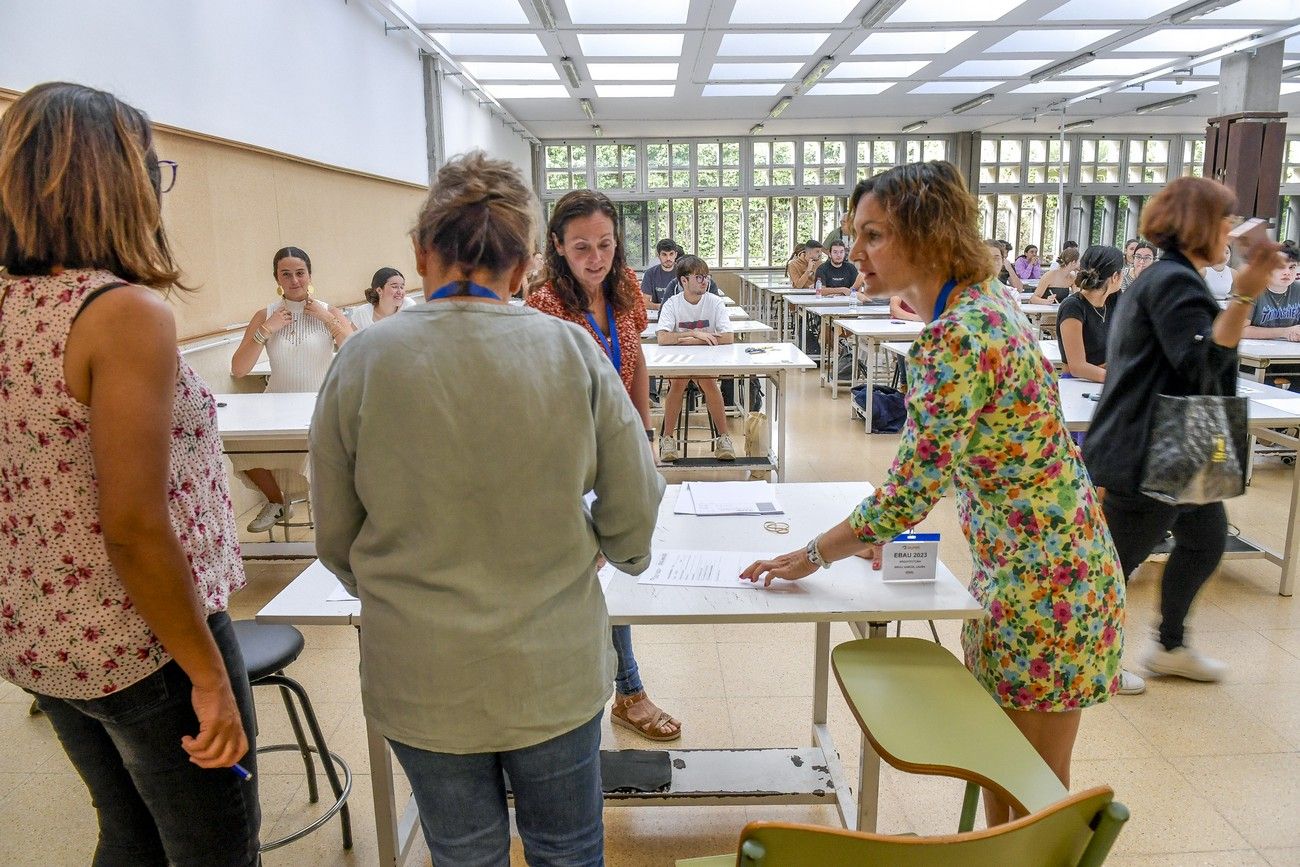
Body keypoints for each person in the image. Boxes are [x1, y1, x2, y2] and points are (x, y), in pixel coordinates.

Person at [742, 161, 1124, 827]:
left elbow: (906, 495)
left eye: (874, 235)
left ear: (928, 236)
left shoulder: (956, 336)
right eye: (853, 233)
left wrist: (810, 554)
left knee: (1032, 799)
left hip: (1045, 587)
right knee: (1015, 784)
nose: (854, 251)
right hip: (1052, 569)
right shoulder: (986, 299)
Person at [311, 151, 662, 865]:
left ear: (418, 252)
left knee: (462, 852)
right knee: (567, 847)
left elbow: (336, 536)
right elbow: (634, 504)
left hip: (420, 671)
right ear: (527, 264)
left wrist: (401, 586)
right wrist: (608, 547)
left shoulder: (362, 360)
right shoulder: (570, 353)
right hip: (550, 669)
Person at [0, 81, 259, 864]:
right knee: (218, 848)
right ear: (118, 180)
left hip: (43, 634)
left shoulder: (14, 303)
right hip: (147, 638)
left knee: (131, 836)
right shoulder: (120, 314)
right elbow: (136, 526)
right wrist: (208, 676)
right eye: (153, 168)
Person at [1084, 177, 1282, 686]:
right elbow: (1200, 364)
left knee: (1206, 538)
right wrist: (1243, 295)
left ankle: (1170, 645)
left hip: (1176, 444)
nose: (1231, 229)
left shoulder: (1167, 277)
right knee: (1114, 564)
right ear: (1199, 225)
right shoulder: (1173, 280)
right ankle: (1089, 660)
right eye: (1224, 219)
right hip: (1152, 448)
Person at [528, 190, 682, 742]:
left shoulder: (626, 291)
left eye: (606, 244)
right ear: (558, 247)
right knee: (588, 574)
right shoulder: (546, 307)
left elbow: (635, 360)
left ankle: (622, 690)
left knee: (617, 565)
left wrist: (643, 436)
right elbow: (544, 399)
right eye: (582, 247)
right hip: (571, 461)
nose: (596, 258)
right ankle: (622, 690)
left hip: (617, 450)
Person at [229, 247, 354, 532]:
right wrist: (266, 330)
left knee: (329, 451)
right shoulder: (266, 314)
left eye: (300, 273)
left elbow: (355, 350)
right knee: (239, 443)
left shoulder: (328, 310)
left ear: (309, 275)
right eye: (286, 274)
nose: (294, 280)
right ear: (277, 278)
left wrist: (327, 319)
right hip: (277, 405)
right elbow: (239, 369)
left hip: (321, 404)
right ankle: (276, 502)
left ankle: (333, 516)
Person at [656, 256, 736, 462]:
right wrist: (699, 335)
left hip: (706, 360)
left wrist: (692, 339)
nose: (705, 281)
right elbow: (663, 337)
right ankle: (667, 439)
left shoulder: (714, 301)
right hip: (679, 360)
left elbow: (728, 336)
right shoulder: (673, 303)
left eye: (706, 277)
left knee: (709, 381)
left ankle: (724, 438)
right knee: (678, 382)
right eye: (699, 277)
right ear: (684, 281)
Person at [1056, 246, 1123, 382]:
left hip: (1106, 379)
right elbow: (1077, 367)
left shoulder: (1114, 298)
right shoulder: (1073, 307)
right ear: (1115, 276)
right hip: (1077, 383)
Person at [1242, 241, 1300, 390]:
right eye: (1280, 267)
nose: (1287, 272)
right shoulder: (1253, 289)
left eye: (1292, 267)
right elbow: (1241, 330)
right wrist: (1285, 332)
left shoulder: (1298, 290)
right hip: (1255, 359)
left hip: (1291, 357)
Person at [349, 266, 415, 331]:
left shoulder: (408, 306)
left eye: (402, 287)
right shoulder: (363, 313)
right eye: (394, 287)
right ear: (379, 290)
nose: (400, 292)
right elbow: (350, 340)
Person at [640, 238, 679, 310]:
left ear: (676, 254)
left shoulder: (683, 272)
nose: (668, 258)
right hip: (658, 313)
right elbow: (645, 302)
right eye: (664, 254)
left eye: (671, 254)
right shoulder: (650, 274)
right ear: (658, 255)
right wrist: (664, 307)